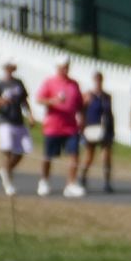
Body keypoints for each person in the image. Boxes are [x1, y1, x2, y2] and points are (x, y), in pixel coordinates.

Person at [35, 55, 86, 198]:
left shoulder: (74, 84)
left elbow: (80, 104)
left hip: (71, 127)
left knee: (74, 155)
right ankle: (44, 181)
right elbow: (39, 99)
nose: (65, 69)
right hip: (53, 126)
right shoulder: (49, 82)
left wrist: (82, 118)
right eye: (62, 66)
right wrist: (53, 101)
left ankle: (71, 184)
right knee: (48, 156)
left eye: (67, 66)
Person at [0, 56, 33, 197]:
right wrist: (1, 101)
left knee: (23, 150)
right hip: (4, 120)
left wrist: (30, 115)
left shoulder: (19, 83)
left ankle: (5, 171)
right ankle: (8, 183)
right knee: (7, 149)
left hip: (18, 120)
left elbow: (24, 101)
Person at [80, 71, 115, 193]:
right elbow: (82, 111)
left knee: (106, 156)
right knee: (89, 155)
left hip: (104, 128)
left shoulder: (107, 96)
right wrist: (82, 127)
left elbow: (110, 113)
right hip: (91, 127)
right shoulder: (88, 95)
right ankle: (83, 176)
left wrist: (111, 130)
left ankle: (107, 181)